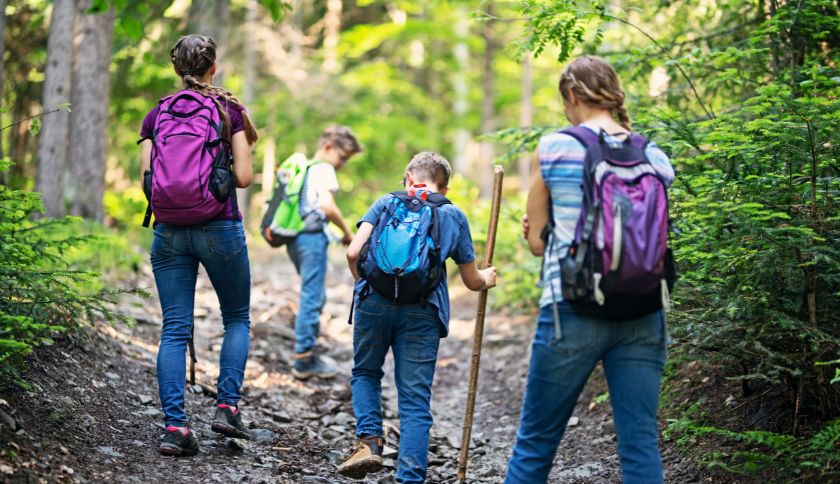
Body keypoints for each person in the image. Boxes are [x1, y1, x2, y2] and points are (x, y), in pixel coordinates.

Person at [505, 55, 675, 483]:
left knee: (535, 443)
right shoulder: (653, 154)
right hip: (644, 309)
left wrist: (539, 228)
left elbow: (535, 244)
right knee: (639, 443)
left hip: (571, 309)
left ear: (572, 95)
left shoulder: (555, 146)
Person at [339, 152, 497, 482]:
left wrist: (367, 285)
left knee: (366, 372)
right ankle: (410, 476)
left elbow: (354, 252)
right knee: (414, 399)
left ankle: (369, 441)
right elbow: (472, 281)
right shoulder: (453, 214)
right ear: (446, 186)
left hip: (373, 303)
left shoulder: (385, 202)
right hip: (423, 310)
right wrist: (488, 277)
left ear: (409, 176)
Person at [139, 34, 259, 457]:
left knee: (174, 329)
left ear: (177, 68)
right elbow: (243, 179)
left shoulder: (157, 114)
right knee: (237, 319)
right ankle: (226, 407)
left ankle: (176, 428)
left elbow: (148, 181)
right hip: (219, 227)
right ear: (214, 67)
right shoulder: (229, 110)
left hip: (168, 231)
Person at [288, 126, 362, 380]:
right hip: (311, 239)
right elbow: (327, 206)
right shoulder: (323, 168)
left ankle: (306, 351)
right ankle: (304, 358)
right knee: (313, 295)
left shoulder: (306, 168)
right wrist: (347, 232)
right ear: (329, 146)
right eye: (342, 157)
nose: (342, 164)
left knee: (312, 294)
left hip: (296, 238)